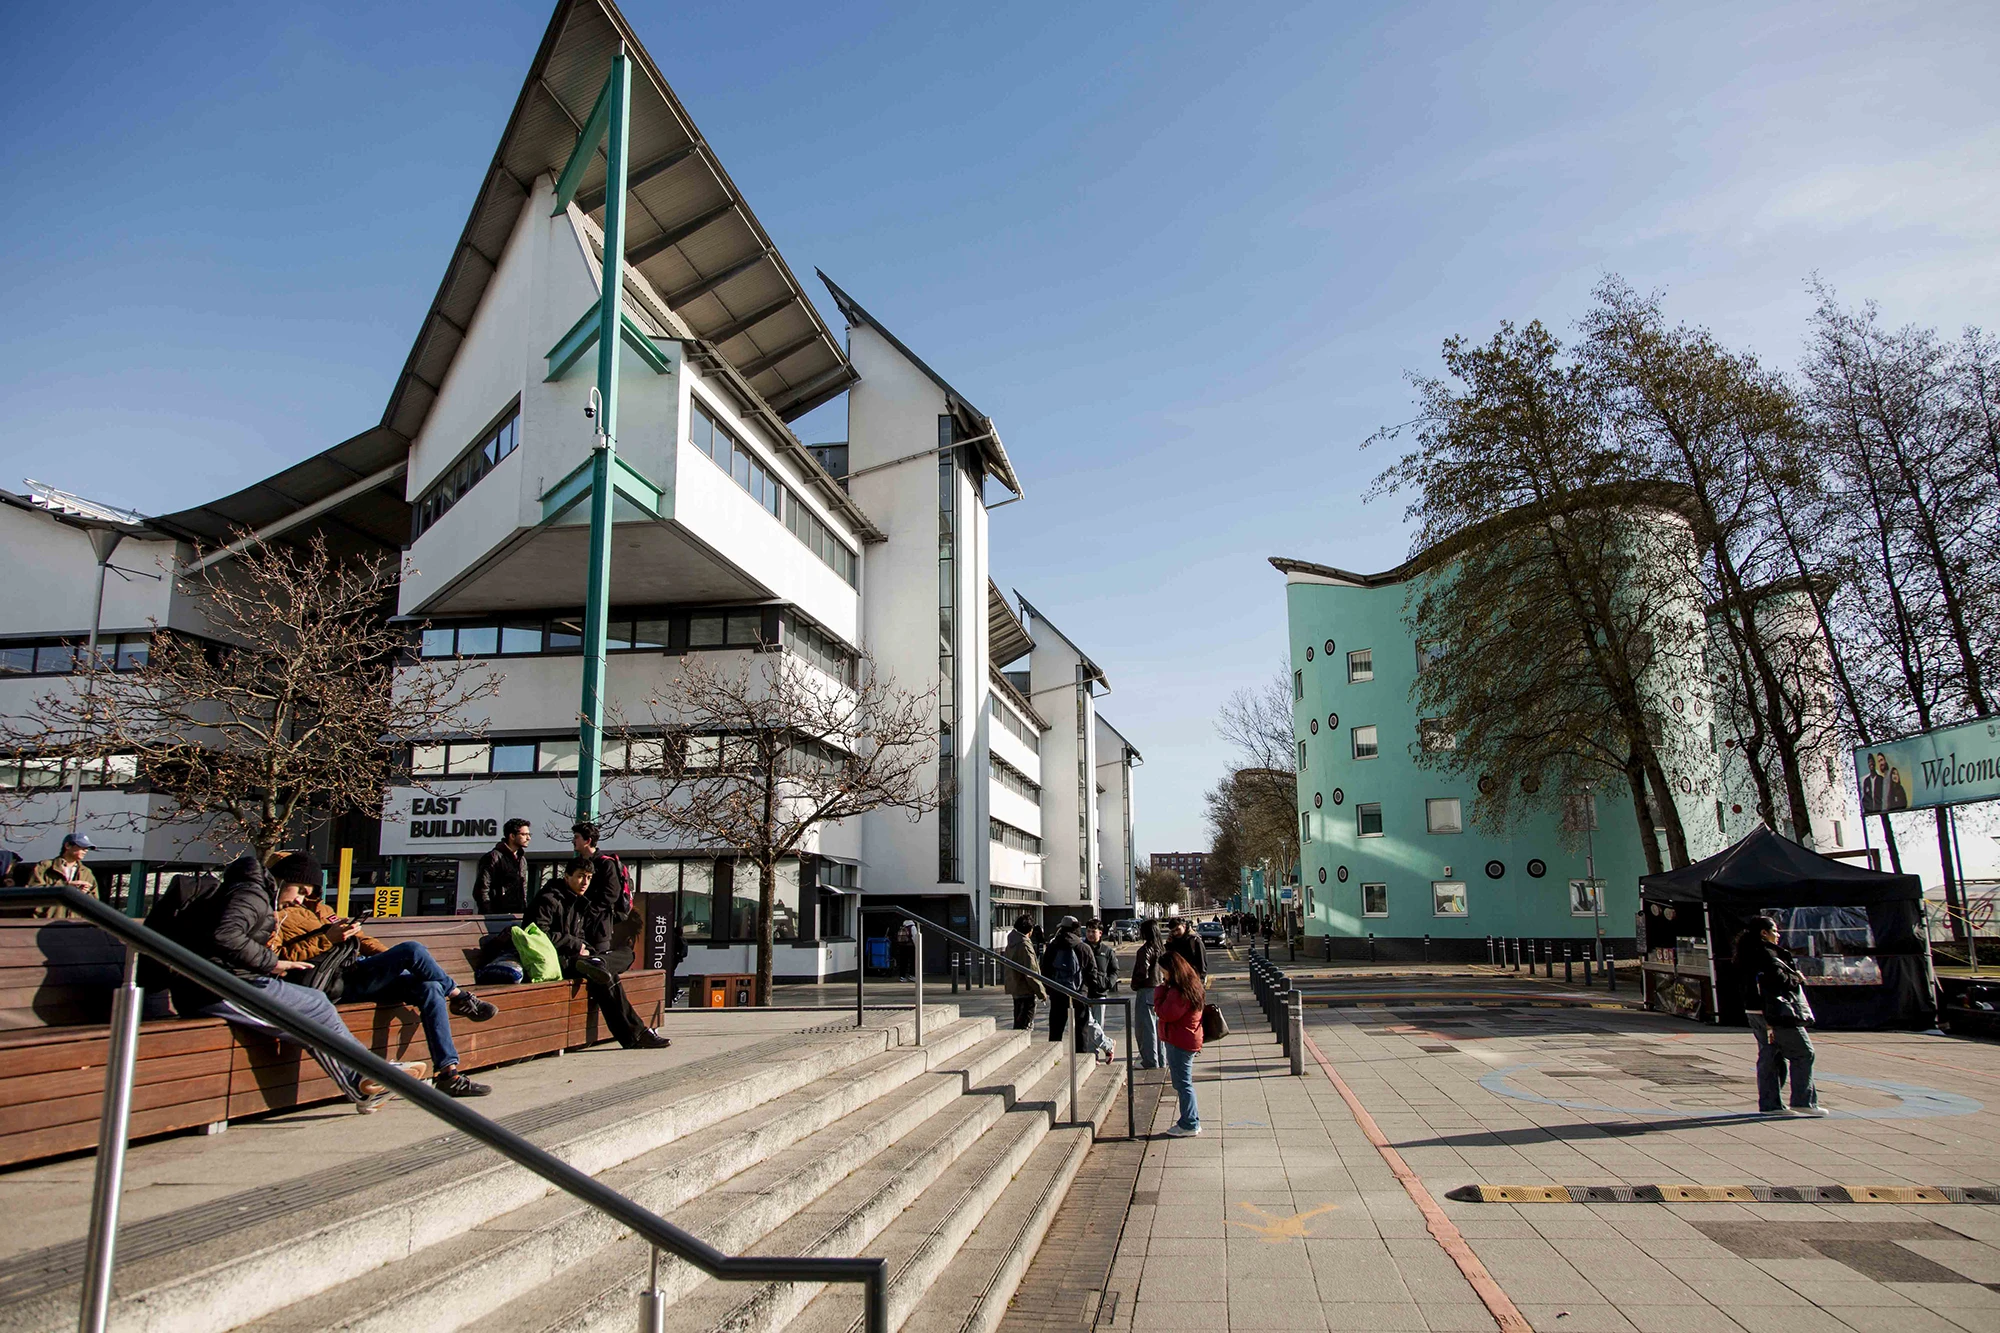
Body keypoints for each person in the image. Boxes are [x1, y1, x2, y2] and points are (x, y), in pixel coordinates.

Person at [151, 853, 412, 1114]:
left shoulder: (250, 892)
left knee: (315, 1008)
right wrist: (271, 963)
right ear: (283, 880)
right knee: (316, 1010)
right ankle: (365, 1076)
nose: (300, 900)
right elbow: (225, 936)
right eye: (299, 890)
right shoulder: (250, 895)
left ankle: (361, 1081)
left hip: (231, 981)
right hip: (215, 989)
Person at [271, 889, 498, 1097]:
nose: (301, 895)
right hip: (333, 983)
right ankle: (460, 997)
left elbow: (362, 941)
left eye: (306, 889)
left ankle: (449, 1074)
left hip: (357, 970)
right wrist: (326, 939)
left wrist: (390, 962)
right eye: (298, 888)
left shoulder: (320, 909)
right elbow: (276, 958)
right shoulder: (275, 917)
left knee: (431, 986)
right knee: (412, 949)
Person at [529, 859, 669, 1049]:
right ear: (567, 876)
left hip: (580, 958)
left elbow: (579, 935)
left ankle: (598, 961)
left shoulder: (578, 901)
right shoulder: (549, 899)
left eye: (588, 878)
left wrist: (588, 949)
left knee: (626, 954)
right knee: (605, 976)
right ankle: (637, 1034)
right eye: (580, 877)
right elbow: (537, 934)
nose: (585, 882)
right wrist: (576, 944)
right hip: (559, 960)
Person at [1735, 915, 1825, 1116]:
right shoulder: (1766, 953)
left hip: (1754, 1010)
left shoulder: (1745, 953)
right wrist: (1796, 978)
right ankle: (1803, 1101)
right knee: (1804, 1052)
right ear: (1763, 933)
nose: (1778, 935)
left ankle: (1770, 1104)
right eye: (1774, 931)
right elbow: (1777, 979)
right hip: (1775, 1012)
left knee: (1771, 1055)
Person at [1043, 916, 1111, 1061]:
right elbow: (1092, 974)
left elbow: (1044, 971)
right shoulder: (1083, 947)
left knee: (1056, 1029)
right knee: (1081, 1030)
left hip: (1058, 994)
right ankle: (1080, 1061)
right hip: (1079, 994)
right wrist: (1090, 993)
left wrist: (1050, 991)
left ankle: (1053, 1059)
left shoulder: (1053, 947)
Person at [1154, 951, 1206, 1137]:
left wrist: (1159, 992)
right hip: (1187, 1037)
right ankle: (1191, 1120)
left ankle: (1189, 1123)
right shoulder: (1191, 984)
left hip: (1179, 1040)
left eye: (1164, 971)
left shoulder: (1177, 992)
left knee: (1183, 1083)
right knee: (1183, 1082)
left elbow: (1166, 1013)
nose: (1162, 975)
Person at [27, 832, 99, 919]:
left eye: (87, 848)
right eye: (82, 846)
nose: (86, 850)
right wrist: (65, 887)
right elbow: (32, 892)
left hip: (75, 926)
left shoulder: (87, 873)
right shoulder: (44, 866)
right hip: (45, 923)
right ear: (68, 846)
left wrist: (85, 893)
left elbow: (95, 904)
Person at [473, 818, 533, 915]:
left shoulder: (522, 860)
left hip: (516, 915)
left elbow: (523, 890)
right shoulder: (493, 858)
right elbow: (482, 890)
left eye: (529, 834)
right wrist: (491, 916)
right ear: (512, 836)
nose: (528, 838)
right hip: (497, 917)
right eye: (523, 834)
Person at [1130, 919, 1164, 1070]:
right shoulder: (1162, 949)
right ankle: (1161, 1060)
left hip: (1146, 990)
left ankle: (1150, 1060)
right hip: (1160, 990)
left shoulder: (1145, 950)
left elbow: (1142, 972)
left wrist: (1135, 984)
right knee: (1158, 1028)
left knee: (1146, 1028)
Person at [1003, 914, 1045, 1030]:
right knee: (1026, 1023)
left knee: (1018, 1019)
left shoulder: (1011, 942)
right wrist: (1041, 992)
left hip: (1015, 987)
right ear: (1030, 930)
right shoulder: (1024, 945)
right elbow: (1031, 972)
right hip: (1025, 989)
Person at [1086, 920, 1119, 1063]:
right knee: (1088, 1025)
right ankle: (1106, 1045)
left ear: (1100, 933)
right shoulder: (1082, 948)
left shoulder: (1107, 951)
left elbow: (1114, 970)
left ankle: (1095, 1055)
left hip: (1100, 994)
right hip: (1084, 993)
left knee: (1097, 1024)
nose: (1090, 934)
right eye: (1088, 931)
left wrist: (1108, 984)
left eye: (1093, 931)